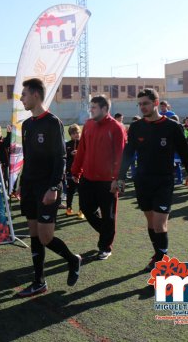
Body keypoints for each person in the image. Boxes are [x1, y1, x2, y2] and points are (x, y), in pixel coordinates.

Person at [116, 89, 188, 272]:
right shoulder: (136, 127)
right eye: (140, 104)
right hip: (142, 181)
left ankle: (161, 263)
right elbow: (128, 154)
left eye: (146, 103)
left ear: (156, 103)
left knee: (159, 224)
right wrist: (120, 177)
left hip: (164, 181)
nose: (143, 107)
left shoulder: (173, 127)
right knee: (151, 223)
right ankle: (158, 255)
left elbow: (183, 151)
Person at [16, 78, 81, 298]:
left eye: (24, 94)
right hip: (29, 186)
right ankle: (39, 282)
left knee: (45, 237)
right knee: (34, 234)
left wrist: (54, 187)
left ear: (35, 95)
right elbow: (28, 158)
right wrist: (21, 183)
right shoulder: (26, 125)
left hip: (47, 187)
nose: (22, 98)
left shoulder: (53, 122)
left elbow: (60, 158)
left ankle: (73, 259)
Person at [71, 96, 126, 260]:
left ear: (104, 109)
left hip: (108, 181)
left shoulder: (116, 127)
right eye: (91, 107)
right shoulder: (88, 124)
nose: (91, 110)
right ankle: (107, 231)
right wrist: (75, 171)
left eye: (94, 107)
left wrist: (117, 179)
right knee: (86, 209)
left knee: (108, 215)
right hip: (87, 178)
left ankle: (105, 246)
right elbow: (82, 150)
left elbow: (121, 155)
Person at [64, 124, 83, 218]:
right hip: (70, 173)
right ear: (70, 135)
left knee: (82, 192)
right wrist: (70, 154)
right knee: (70, 192)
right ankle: (69, 208)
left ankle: (81, 210)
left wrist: (80, 154)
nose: (76, 135)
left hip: (82, 173)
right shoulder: (67, 145)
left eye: (78, 132)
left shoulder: (84, 144)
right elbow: (64, 158)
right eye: (74, 133)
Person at [0, 124, 12, 192]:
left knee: (7, 178)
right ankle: (2, 192)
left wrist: (10, 133)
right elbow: (6, 143)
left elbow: (9, 142)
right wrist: (9, 133)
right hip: (1, 164)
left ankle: (5, 191)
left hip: (7, 162)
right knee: (3, 178)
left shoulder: (2, 139)